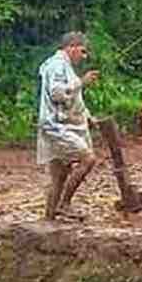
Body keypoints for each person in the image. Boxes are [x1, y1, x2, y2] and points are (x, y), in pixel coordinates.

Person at [37, 31, 100, 221]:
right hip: (56, 126)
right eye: (82, 51)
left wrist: (88, 116)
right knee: (88, 159)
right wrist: (82, 82)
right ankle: (65, 204)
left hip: (57, 125)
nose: (84, 56)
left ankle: (49, 220)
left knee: (59, 175)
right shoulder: (57, 65)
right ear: (71, 47)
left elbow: (73, 99)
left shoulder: (64, 66)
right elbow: (57, 93)